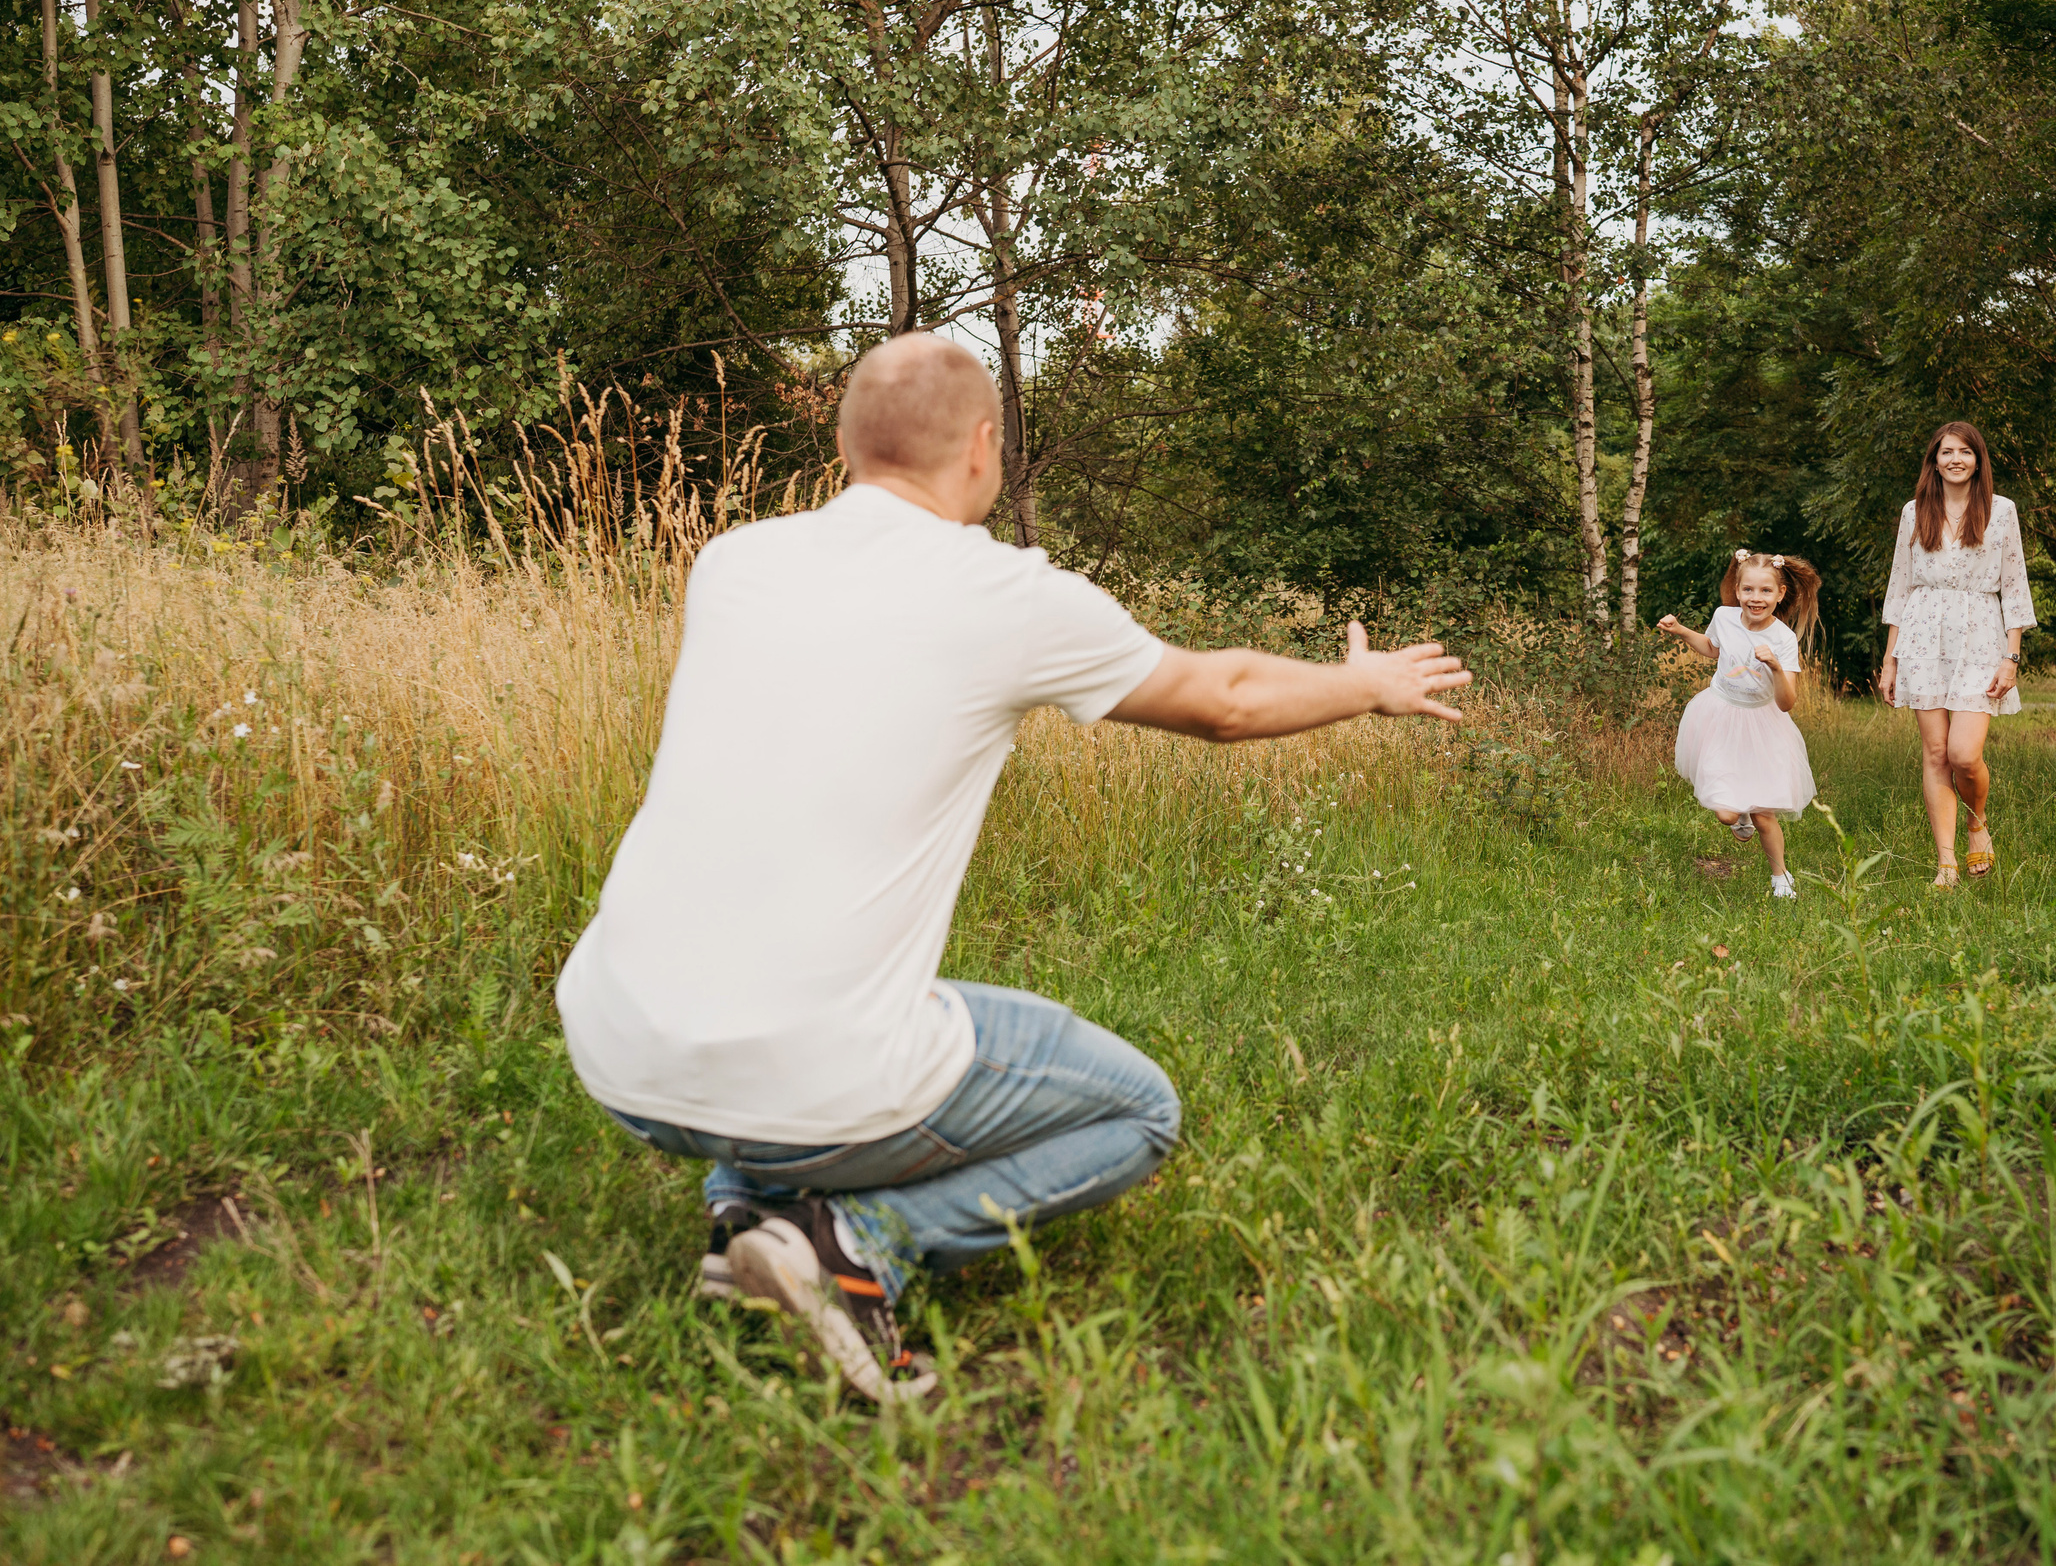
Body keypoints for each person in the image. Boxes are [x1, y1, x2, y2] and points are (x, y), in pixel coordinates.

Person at [553, 332, 1472, 1402]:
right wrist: (1363, 684)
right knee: (1137, 1111)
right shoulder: (1005, 596)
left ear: (847, 445)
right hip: (810, 1073)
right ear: (983, 448)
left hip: (616, 1049)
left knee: (815, 970)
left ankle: (745, 1215)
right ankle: (856, 1245)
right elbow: (1222, 700)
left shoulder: (733, 563)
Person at [1876, 420, 2037, 887]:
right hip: (1922, 636)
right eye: (1946, 452)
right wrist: (1890, 660)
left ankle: (1976, 821)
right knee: (1936, 753)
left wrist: (2011, 658)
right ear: (1934, 461)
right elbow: (1900, 587)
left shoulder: (2001, 511)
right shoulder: (1914, 512)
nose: (1955, 459)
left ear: (1978, 461)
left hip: (1981, 637)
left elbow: (2014, 587)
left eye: (1965, 452)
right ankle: (1945, 863)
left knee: (1964, 755)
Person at [1656, 550, 1823, 901]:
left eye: (1765, 591)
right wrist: (1680, 630)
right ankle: (1740, 812)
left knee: (1763, 815)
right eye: (1748, 590)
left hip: (1762, 725)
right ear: (1737, 590)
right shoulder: (1724, 616)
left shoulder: (1782, 639)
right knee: (1726, 814)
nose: (1755, 598)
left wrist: (1775, 667)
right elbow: (1712, 648)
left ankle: (1781, 877)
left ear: (1780, 594)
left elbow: (1786, 703)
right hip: (1720, 715)